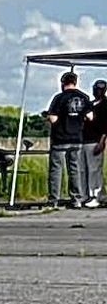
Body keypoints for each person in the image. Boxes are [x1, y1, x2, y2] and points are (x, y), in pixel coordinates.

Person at [43, 69, 91, 207]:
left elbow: (53, 119)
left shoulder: (59, 98)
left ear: (63, 83)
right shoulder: (84, 97)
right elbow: (90, 116)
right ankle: (76, 199)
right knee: (75, 170)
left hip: (60, 139)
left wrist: (47, 117)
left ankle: (54, 200)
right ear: (75, 82)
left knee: (56, 170)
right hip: (77, 139)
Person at [85, 79, 107, 209]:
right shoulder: (90, 104)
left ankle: (96, 195)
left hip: (97, 139)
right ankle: (98, 194)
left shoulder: (105, 105)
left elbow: (106, 126)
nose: (98, 92)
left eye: (101, 89)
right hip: (86, 138)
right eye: (96, 89)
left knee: (95, 170)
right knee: (89, 170)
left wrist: (102, 141)